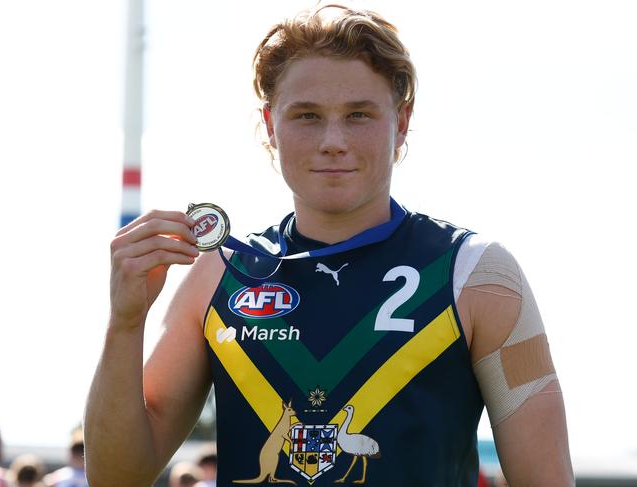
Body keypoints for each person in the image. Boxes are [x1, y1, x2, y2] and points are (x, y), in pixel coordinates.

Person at [84, 4, 574, 486]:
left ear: (401, 122)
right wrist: (125, 322)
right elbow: (115, 477)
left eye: (359, 114)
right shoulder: (220, 273)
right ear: (270, 125)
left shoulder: (477, 274)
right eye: (307, 116)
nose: (333, 140)